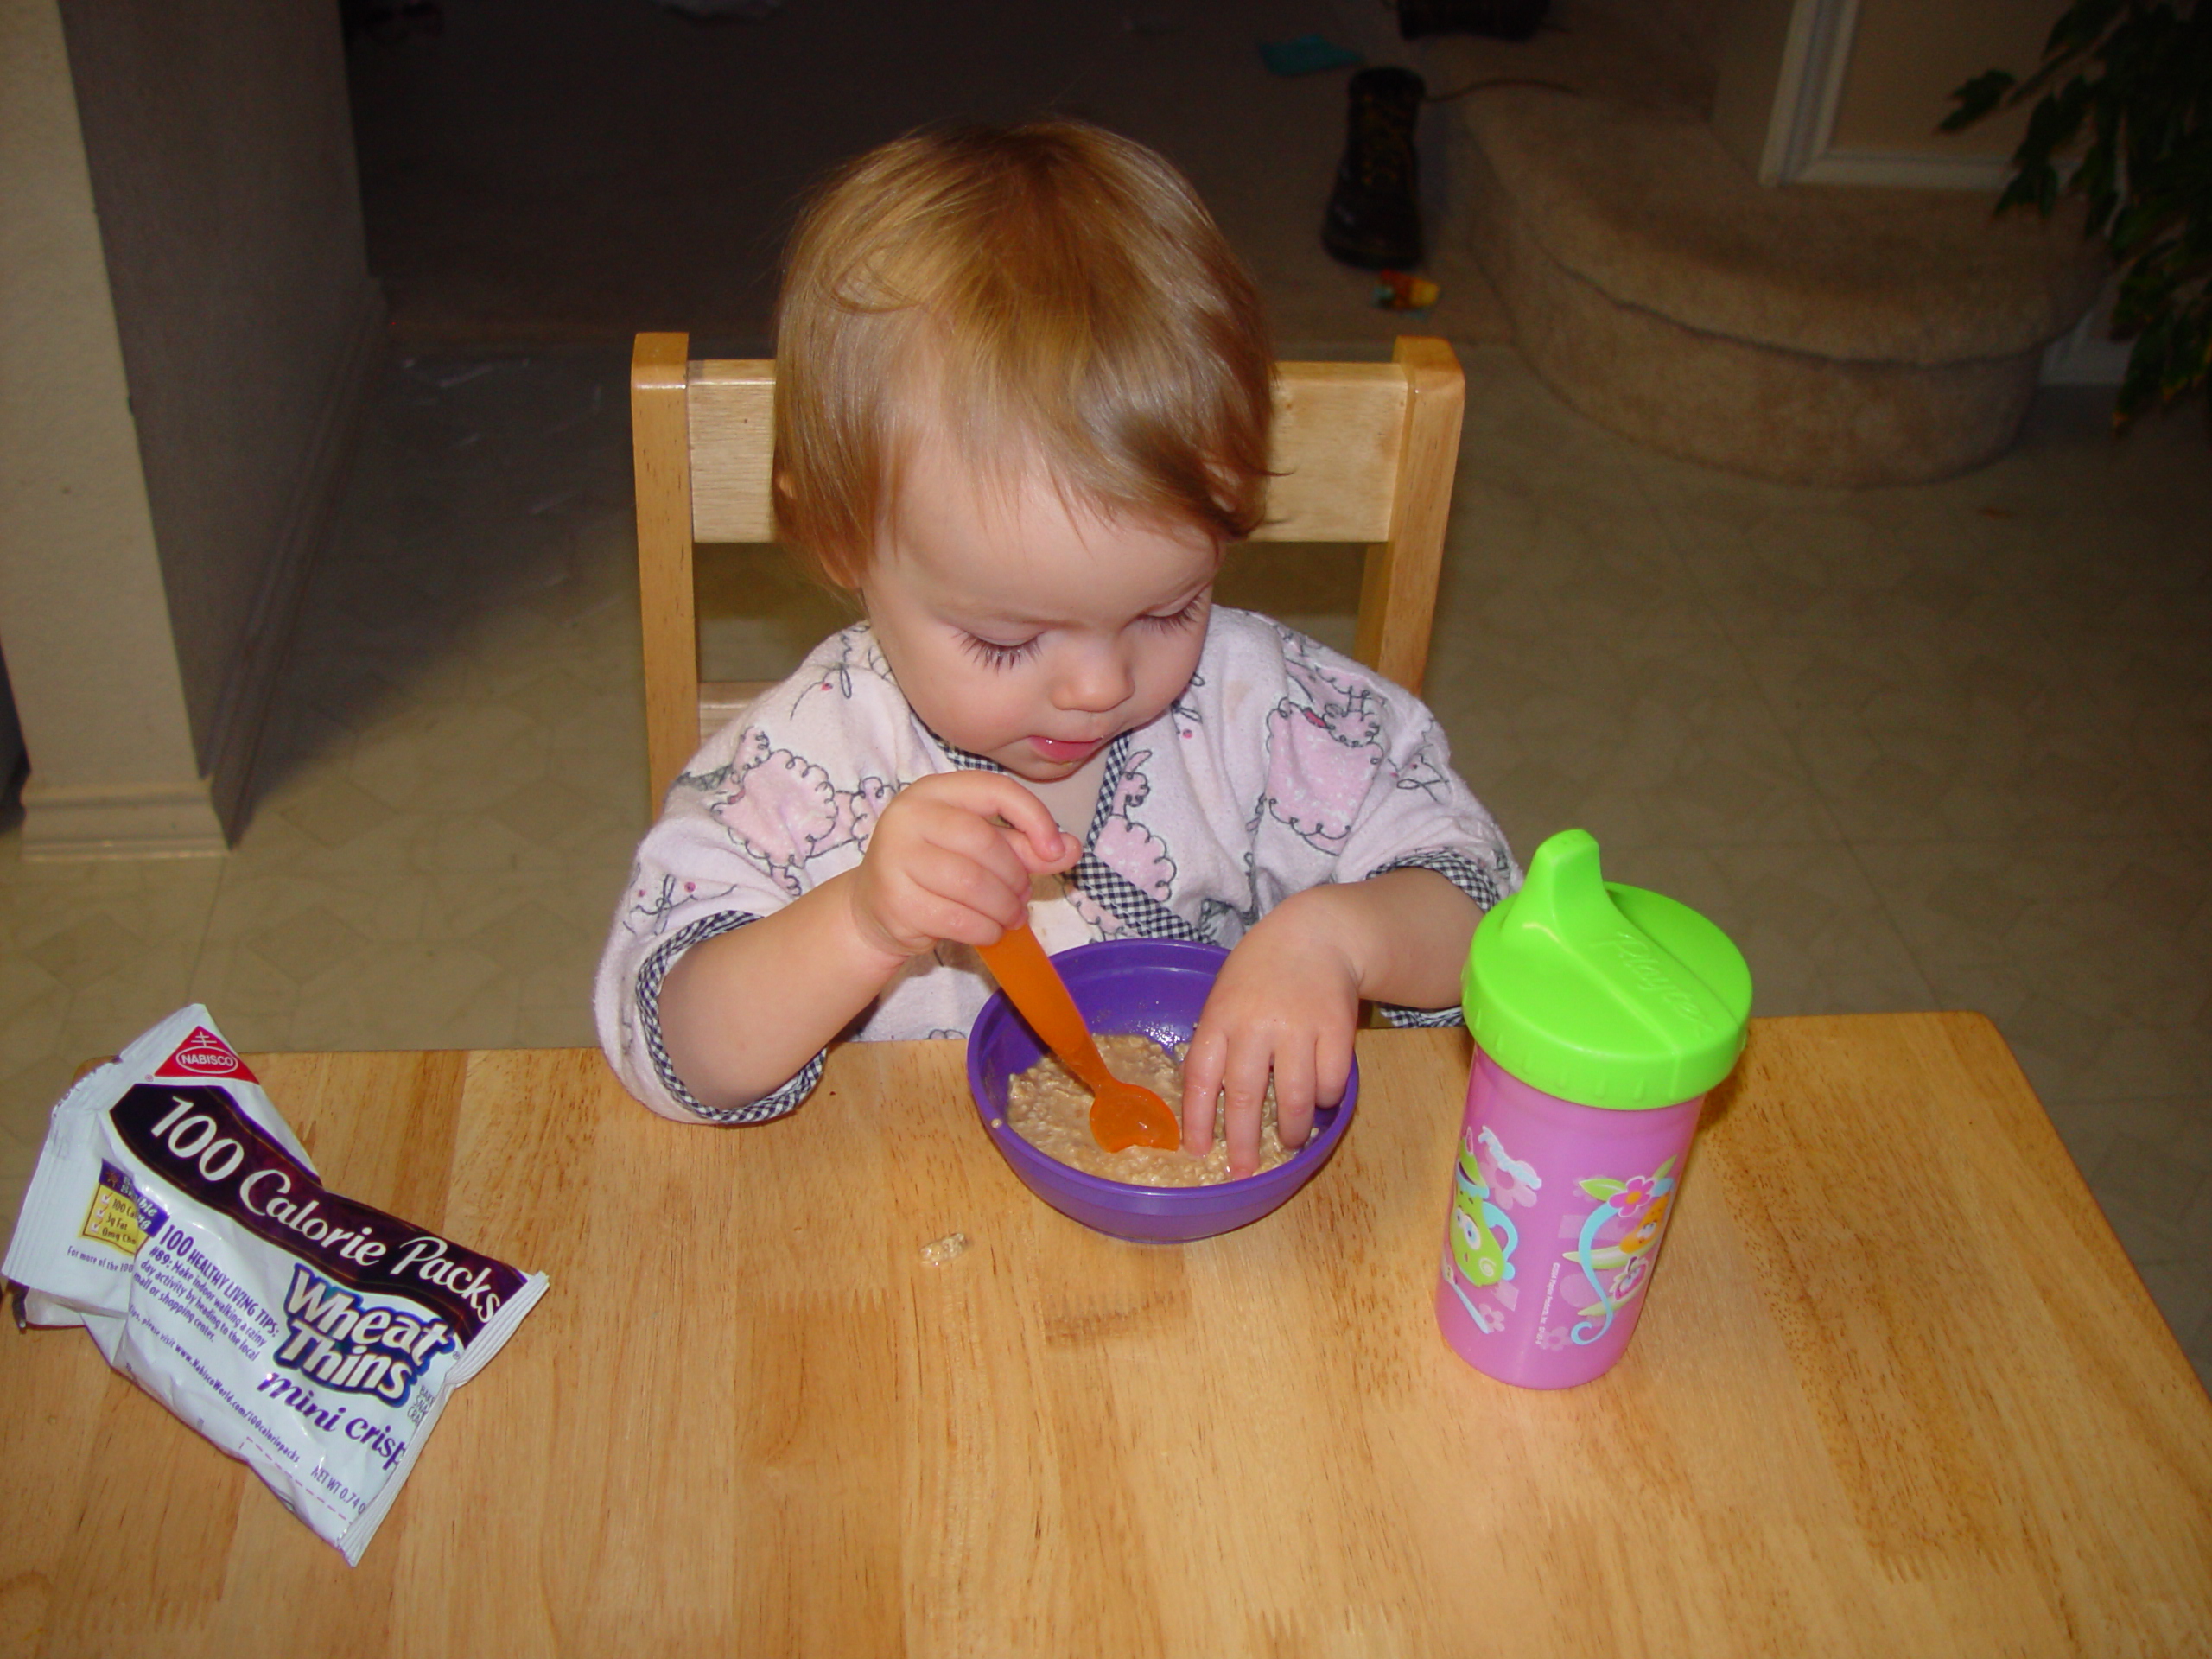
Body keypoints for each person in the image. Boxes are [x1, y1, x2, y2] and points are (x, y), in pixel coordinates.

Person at [595, 120, 1516, 1177]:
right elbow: (670, 1050)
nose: (1098, 686)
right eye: (1004, 639)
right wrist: (859, 922)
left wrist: (1339, 938)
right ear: (841, 542)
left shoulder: (1273, 715)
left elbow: (1486, 905)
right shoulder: (802, 769)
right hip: (892, 1245)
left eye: (1170, 609)